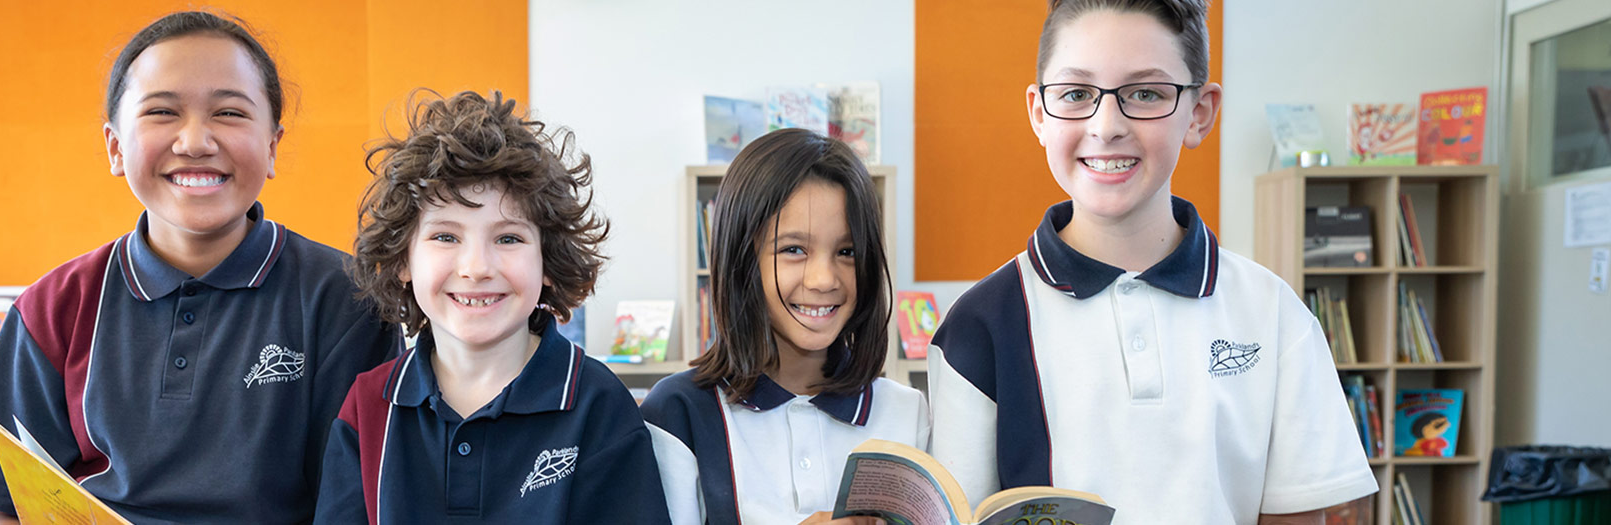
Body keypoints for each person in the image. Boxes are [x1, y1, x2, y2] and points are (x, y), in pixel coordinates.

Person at [925, 1, 1377, 523]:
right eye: (1076, 94)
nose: (1107, 125)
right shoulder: (979, 325)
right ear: (1039, 113)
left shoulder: (1274, 313)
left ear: (1200, 112)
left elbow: (1300, 513)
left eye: (1145, 94)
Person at [0, 11, 401, 523]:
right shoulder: (54, 307)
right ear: (115, 147)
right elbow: (8, 507)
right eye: (162, 112)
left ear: (273, 145)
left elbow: (353, 502)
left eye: (229, 113)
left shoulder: (346, 299)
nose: (195, 141)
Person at [316, 90, 669, 524]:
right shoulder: (369, 406)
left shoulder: (598, 404)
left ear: (548, 263)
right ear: (403, 261)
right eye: (445, 237)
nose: (477, 267)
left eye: (508, 238)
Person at [641, 128, 926, 525]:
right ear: (742, 259)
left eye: (847, 252)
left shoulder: (907, 412)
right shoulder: (677, 412)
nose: (824, 279)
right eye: (794, 250)